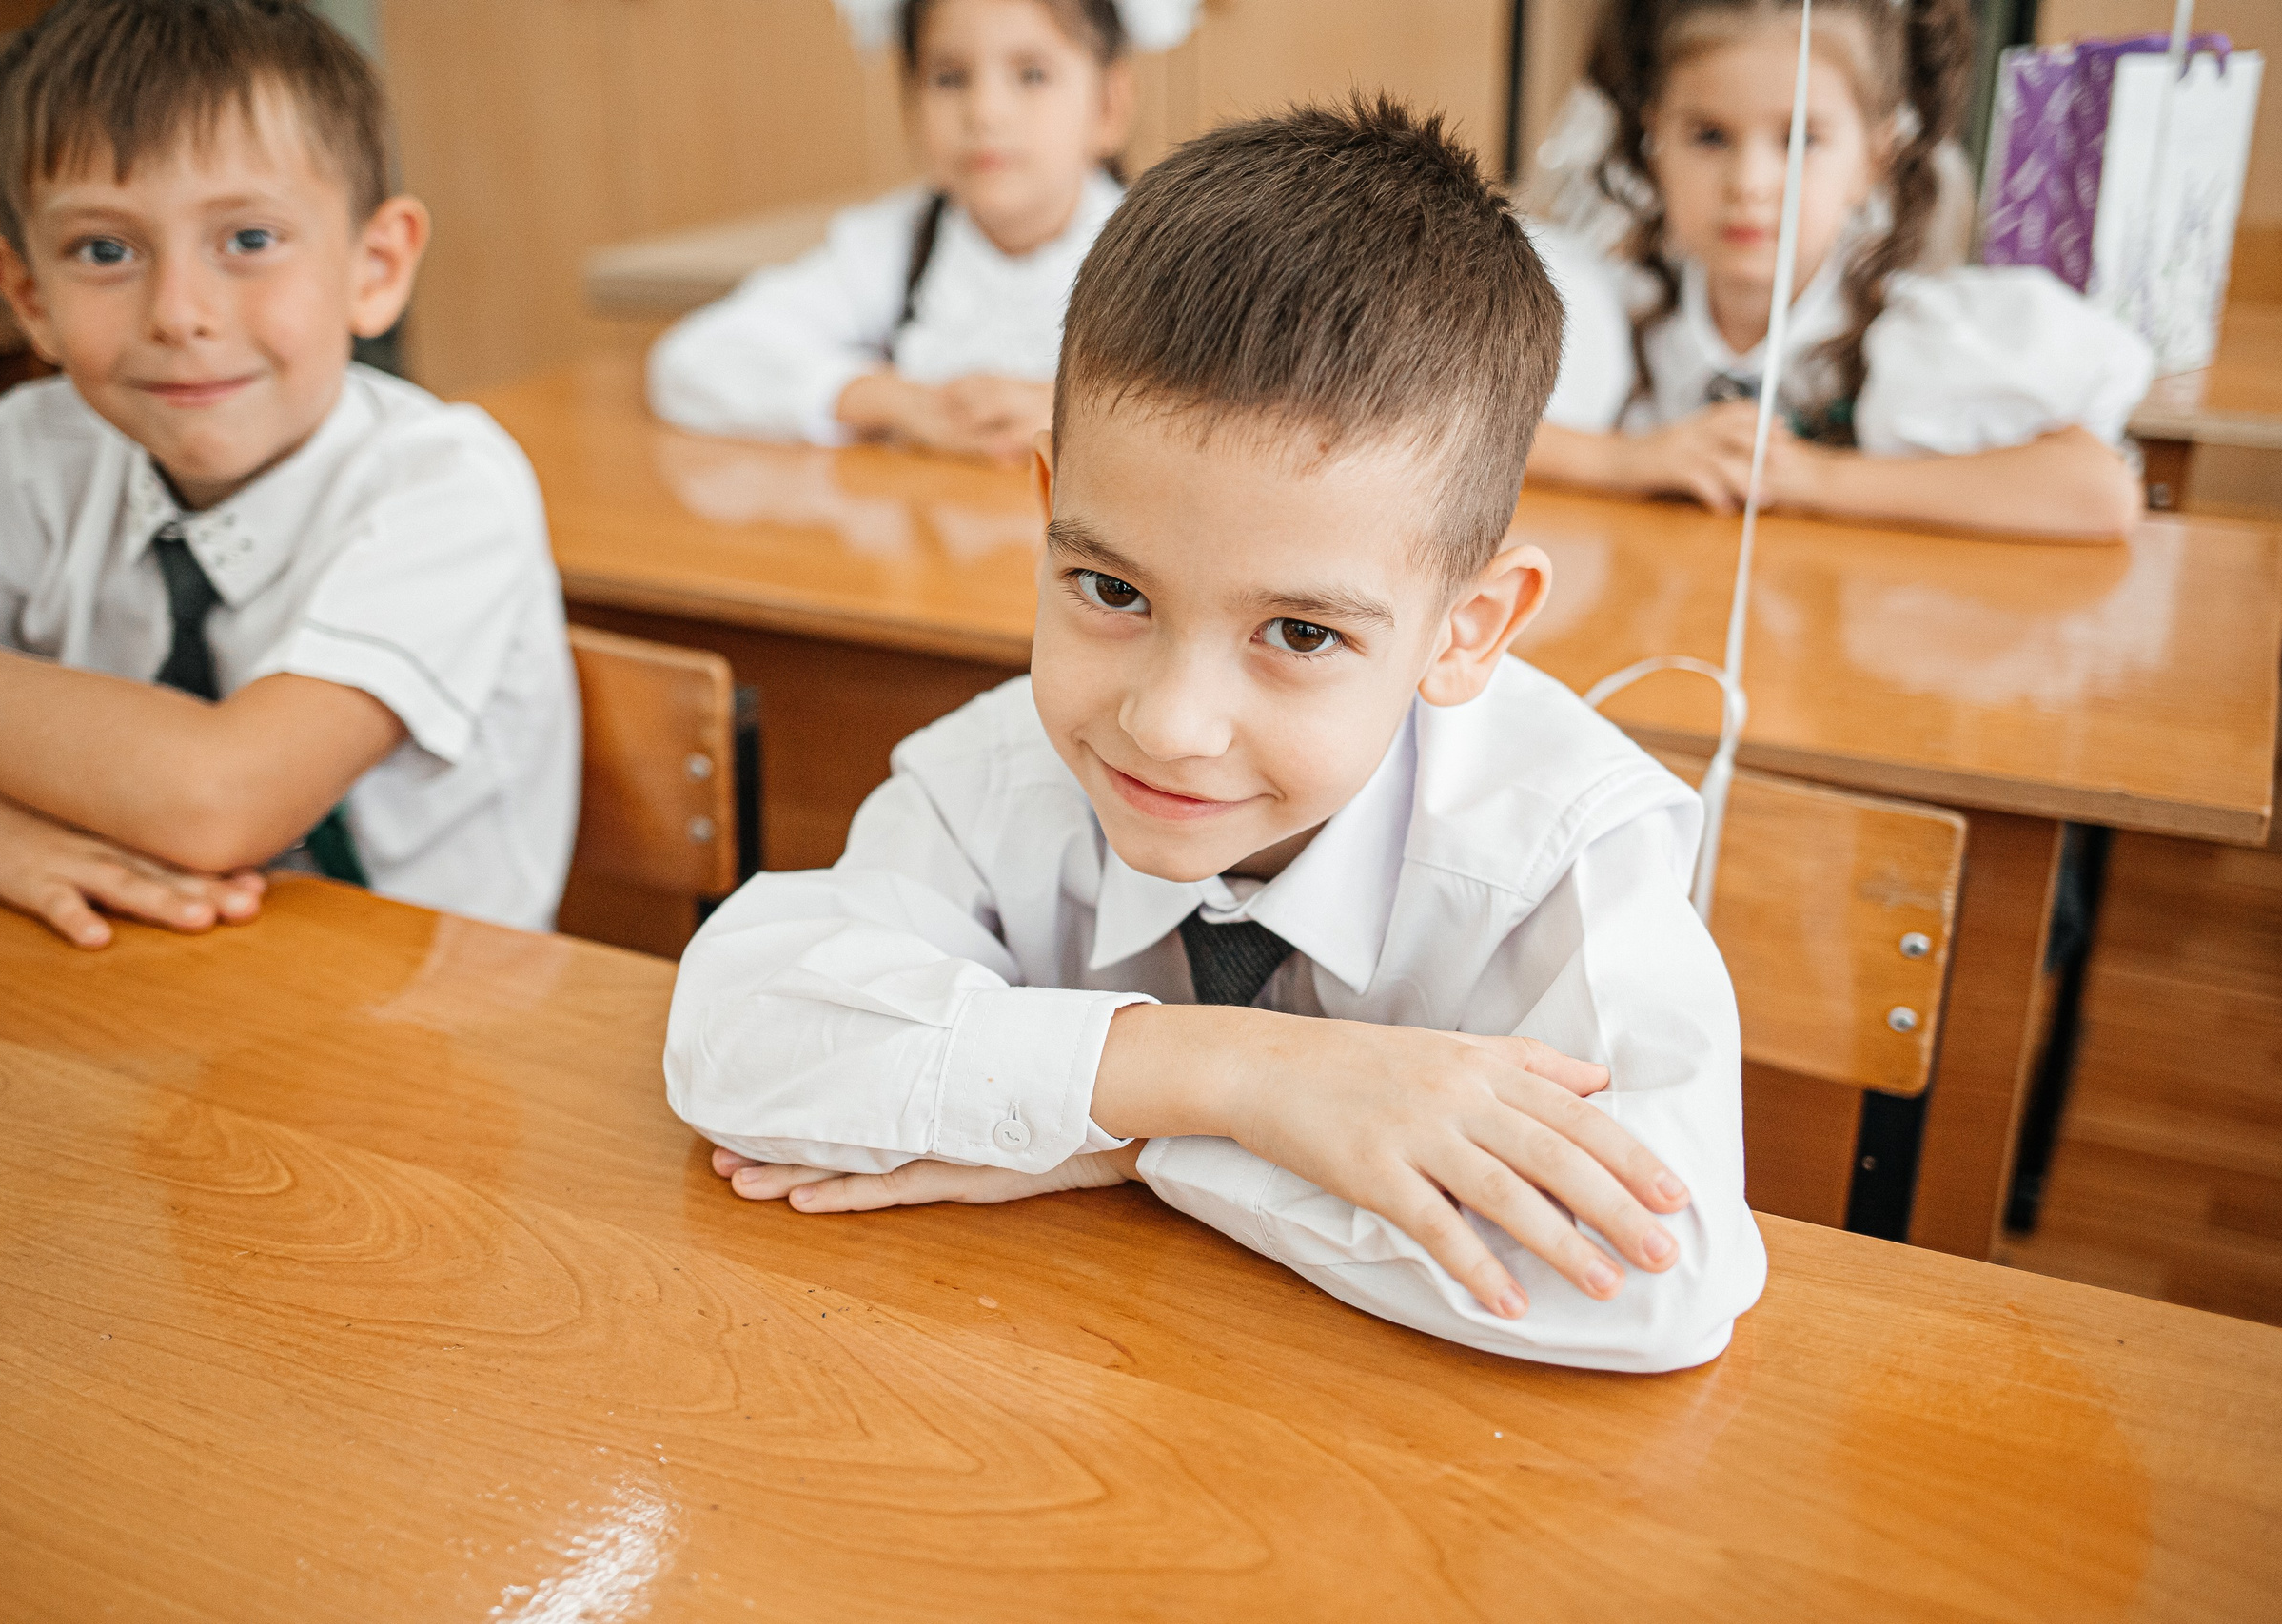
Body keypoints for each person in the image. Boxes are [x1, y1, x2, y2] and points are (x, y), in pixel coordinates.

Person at [665, 96, 1769, 1373]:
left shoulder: (1560, 846)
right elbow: (741, 1033)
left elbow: (1654, 1284)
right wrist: (1237, 1076)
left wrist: (1128, 1140)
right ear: (1049, 510)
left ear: (1470, 628)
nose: (1169, 725)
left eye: (1299, 634)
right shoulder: (999, 771)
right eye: (1112, 592)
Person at [0, 0, 578, 944]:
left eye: (248, 240)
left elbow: (219, 803)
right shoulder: (36, 450)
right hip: (136, 989)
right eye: (104, 251)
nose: (179, 314)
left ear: (375, 265)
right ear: (27, 294)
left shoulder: (444, 483)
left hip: (434, 1036)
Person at [1523, 0, 2153, 539]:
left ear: (1873, 162)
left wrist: (1814, 478)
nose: (1750, 184)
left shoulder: (1915, 338)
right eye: (1710, 136)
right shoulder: (1608, 312)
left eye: (1801, 141)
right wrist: (1624, 464)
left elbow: (2101, 494)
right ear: (1653, 139)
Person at [648, 0, 1179, 461]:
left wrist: (1076, 414)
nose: (984, 112)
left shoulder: (1160, 258)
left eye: (1031, 74)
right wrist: (904, 403)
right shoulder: (895, 245)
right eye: (949, 77)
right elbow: (695, 361)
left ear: (1110, 106)